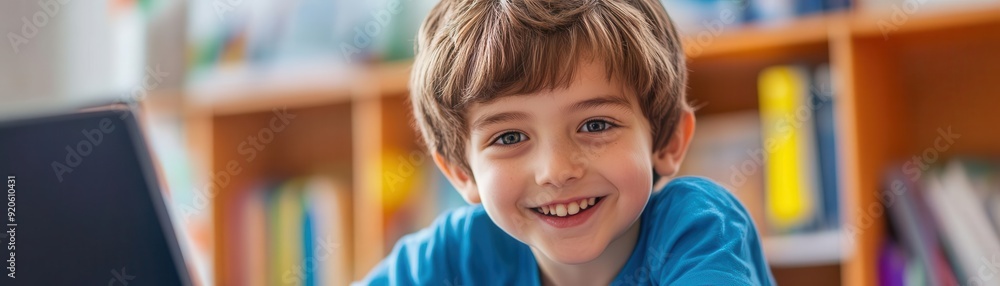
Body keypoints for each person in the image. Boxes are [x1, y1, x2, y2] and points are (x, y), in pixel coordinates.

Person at [358, 0, 775, 284]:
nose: (556, 170)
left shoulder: (696, 226)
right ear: (461, 172)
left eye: (595, 125)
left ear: (667, 141)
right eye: (510, 136)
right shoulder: (456, 253)